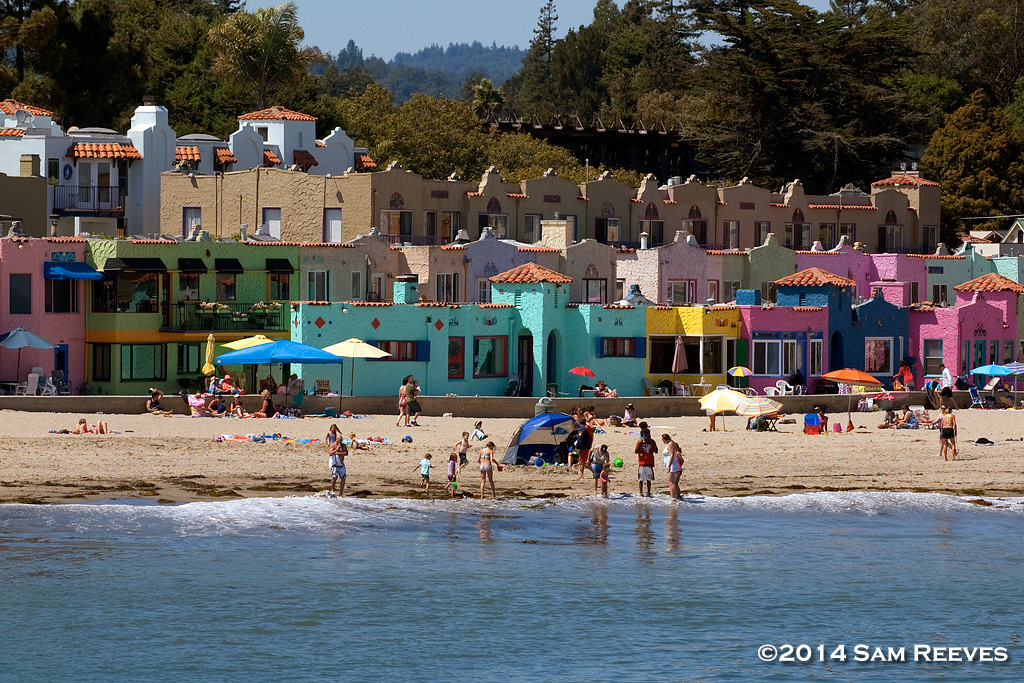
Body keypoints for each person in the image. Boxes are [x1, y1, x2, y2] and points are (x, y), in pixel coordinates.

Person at [662, 434, 684, 499]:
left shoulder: (671, 444)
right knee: (672, 482)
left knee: (671, 482)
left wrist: (669, 465)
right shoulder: (669, 445)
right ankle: (674, 497)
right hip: (670, 465)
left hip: (671, 465)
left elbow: (671, 455)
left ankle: (673, 497)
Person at [635, 432, 657, 497]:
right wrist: (640, 443)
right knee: (641, 479)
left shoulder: (652, 442)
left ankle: (648, 492)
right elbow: (636, 451)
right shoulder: (639, 442)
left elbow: (656, 451)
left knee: (649, 479)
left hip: (649, 463)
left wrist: (653, 443)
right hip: (642, 463)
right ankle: (641, 492)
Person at [575, 416, 595, 480]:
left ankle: (594, 472)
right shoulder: (587, 427)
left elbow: (581, 439)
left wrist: (577, 446)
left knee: (582, 462)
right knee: (582, 461)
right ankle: (581, 475)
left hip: (583, 447)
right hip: (587, 446)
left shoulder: (582, 429)